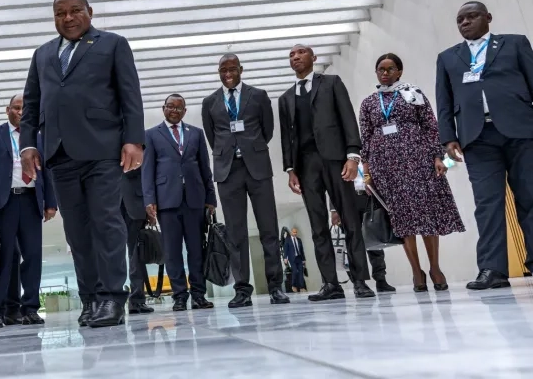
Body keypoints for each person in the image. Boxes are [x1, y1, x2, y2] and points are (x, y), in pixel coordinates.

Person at [20, 0, 144, 328]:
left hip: (103, 150)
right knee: (77, 231)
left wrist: (134, 140)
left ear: (90, 11)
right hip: (59, 154)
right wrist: (28, 146)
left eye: (75, 11)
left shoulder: (112, 44)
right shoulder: (42, 54)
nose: (69, 18)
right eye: (61, 13)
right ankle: (90, 298)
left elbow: (130, 94)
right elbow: (31, 105)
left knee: (106, 222)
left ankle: (113, 298)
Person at [436, 1, 533, 290]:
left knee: (529, 197)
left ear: (488, 18)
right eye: (460, 20)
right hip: (476, 138)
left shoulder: (515, 44)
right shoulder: (448, 58)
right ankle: (492, 269)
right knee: (487, 204)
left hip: (521, 131)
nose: (465, 22)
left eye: (472, 16)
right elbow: (444, 101)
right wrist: (448, 138)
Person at [277, 45, 375, 301]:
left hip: (335, 160)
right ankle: (331, 283)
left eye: (300, 53)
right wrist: (290, 170)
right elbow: (287, 137)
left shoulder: (331, 83)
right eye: (291, 55)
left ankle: (361, 280)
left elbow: (347, 118)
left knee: (350, 220)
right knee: (317, 225)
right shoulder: (285, 98)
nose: (295, 57)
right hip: (306, 166)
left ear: (313, 58)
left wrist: (353, 155)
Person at [361, 53, 466, 292]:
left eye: (390, 69)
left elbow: (430, 126)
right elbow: (365, 137)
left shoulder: (413, 94)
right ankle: (416, 272)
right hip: (385, 165)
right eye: (381, 69)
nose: (385, 73)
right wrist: (366, 170)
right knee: (402, 219)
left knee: (426, 214)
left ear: (400, 71)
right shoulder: (369, 102)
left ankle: (435, 268)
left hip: (417, 159)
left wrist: (437, 156)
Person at [201, 54, 289, 307]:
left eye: (232, 69)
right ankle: (242, 290)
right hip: (228, 172)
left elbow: (267, 130)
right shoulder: (209, 102)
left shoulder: (258, 95)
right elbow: (212, 136)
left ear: (241, 69)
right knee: (235, 233)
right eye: (223, 70)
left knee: (269, 229)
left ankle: (276, 287)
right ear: (218, 72)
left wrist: (250, 147)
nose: (228, 73)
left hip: (258, 168)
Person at [0, 94, 57, 329]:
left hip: (31, 201)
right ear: (7, 109)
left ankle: (30, 308)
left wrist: (51, 202)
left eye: (25, 109)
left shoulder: (37, 137)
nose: (21, 112)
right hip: (4, 202)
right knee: (2, 258)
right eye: (16, 108)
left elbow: (47, 171)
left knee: (32, 256)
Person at [143, 94, 216, 311]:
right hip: (167, 202)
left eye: (179, 108)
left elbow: (205, 167)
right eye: (170, 107)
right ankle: (179, 296)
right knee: (172, 252)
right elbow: (147, 171)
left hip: (194, 199)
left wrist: (210, 198)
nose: (174, 111)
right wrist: (149, 200)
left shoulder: (196, 133)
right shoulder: (151, 135)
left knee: (197, 250)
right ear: (163, 108)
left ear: (184, 111)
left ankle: (199, 295)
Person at [329, 173, 396, 293]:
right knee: (352, 242)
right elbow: (333, 182)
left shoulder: (366, 156)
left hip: (368, 197)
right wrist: (334, 209)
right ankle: (358, 282)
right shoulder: (340, 155)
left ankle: (380, 279)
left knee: (375, 239)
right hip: (348, 199)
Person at [120, 165, 154, 315]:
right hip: (109, 200)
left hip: (135, 200)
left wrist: (149, 203)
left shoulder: (139, 141)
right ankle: (112, 300)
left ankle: (137, 300)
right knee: (112, 252)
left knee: (136, 254)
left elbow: (146, 169)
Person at [283, 228, 306, 292]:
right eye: (294, 232)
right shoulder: (288, 240)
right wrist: (285, 258)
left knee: (301, 272)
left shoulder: (299, 240)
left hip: (299, 257)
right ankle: (293, 285)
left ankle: (302, 287)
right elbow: (285, 249)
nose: (295, 233)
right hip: (292, 258)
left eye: (296, 232)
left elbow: (301, 250)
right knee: (295, 271)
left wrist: (304, 259)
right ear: (291, 232)